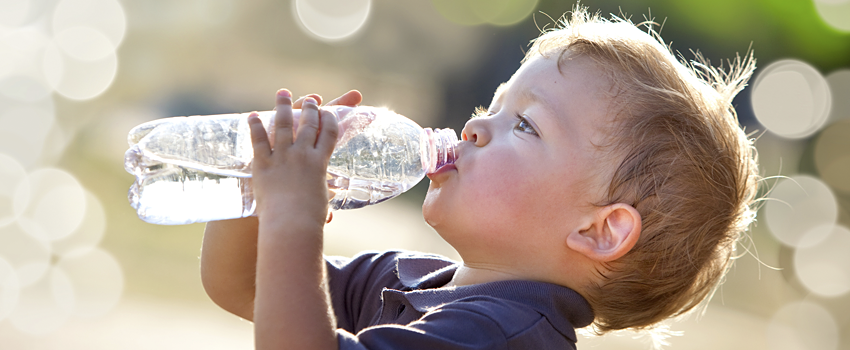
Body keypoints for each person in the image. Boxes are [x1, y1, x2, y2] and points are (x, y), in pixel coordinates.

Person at [200, 5, 759, 349]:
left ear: (598, 230)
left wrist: (294, 219)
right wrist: (257, 183)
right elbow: (244, 282)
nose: (473, 126)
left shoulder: (502, 336)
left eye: (523, 124)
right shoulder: (413, 281)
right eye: (491, 105)